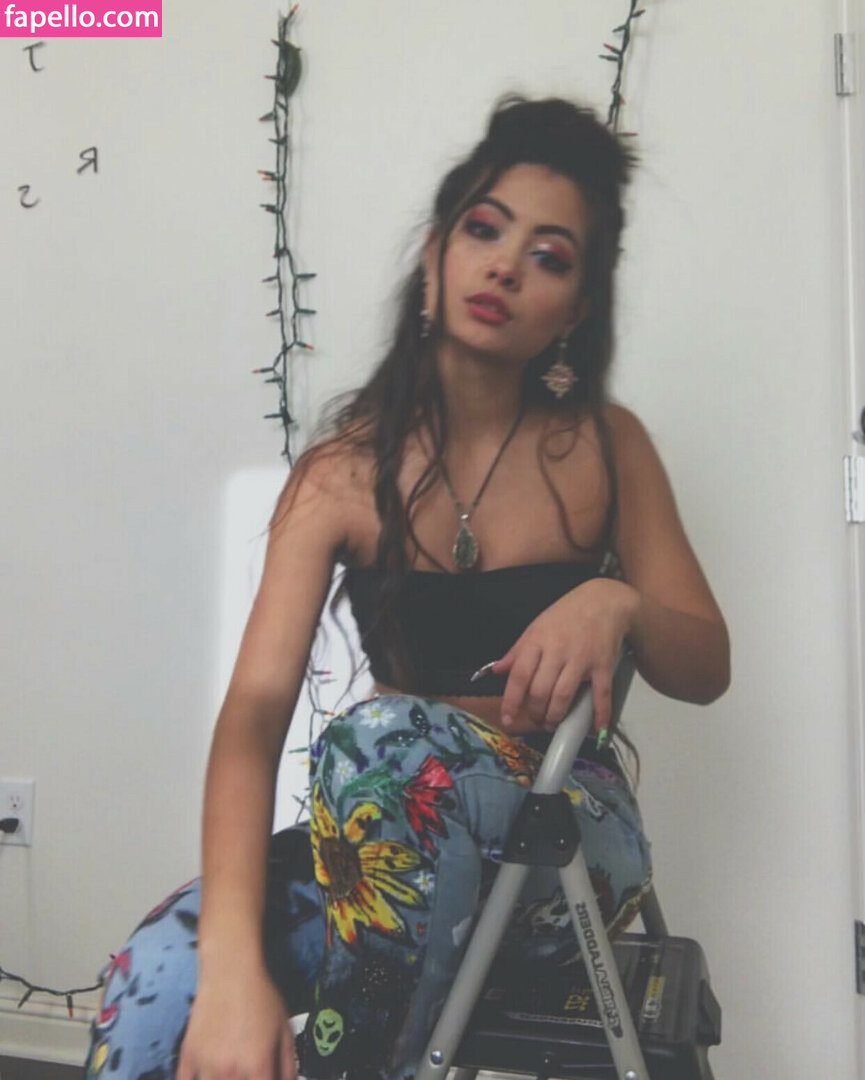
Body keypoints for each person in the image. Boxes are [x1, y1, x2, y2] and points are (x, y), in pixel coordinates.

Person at [84, 95, 730, 1080]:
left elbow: (705, 665)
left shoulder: (605, 448)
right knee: (161, 969)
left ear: (575, 311)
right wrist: (231, 971)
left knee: (379, 741)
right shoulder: (340, 475)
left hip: (559, 842)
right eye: (484, 230)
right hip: (382, 849)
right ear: (433, 257)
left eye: (548, 256)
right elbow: (252, 717)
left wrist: (619, 603)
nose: (505, 266)